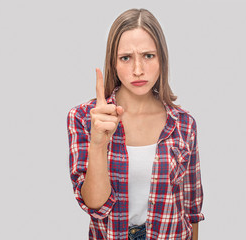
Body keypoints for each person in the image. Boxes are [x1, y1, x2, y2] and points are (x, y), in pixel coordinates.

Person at [67, 8, 205, 240]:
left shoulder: (183, 124)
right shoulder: (83, 118)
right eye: (126, 58)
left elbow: (191, 208)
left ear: (162, 58)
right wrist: (99, 143)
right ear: (114, 62)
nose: (138, 70)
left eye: (148, 56)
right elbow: (94, 205)